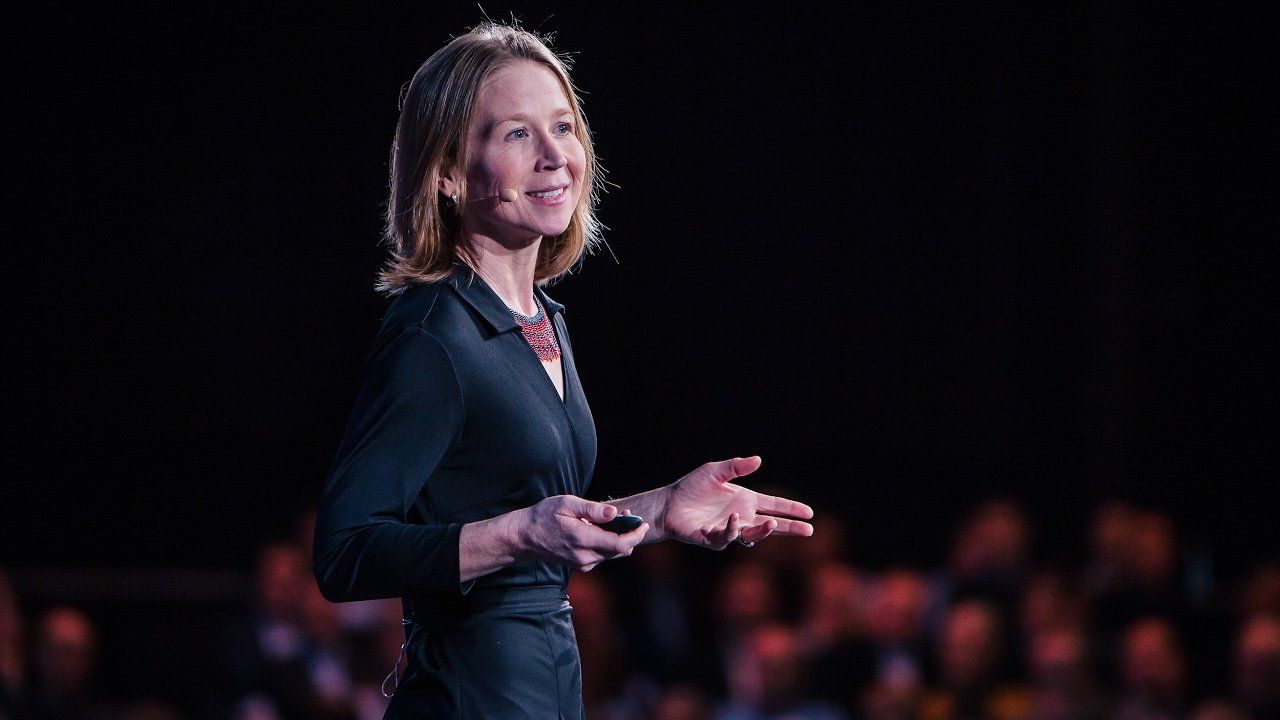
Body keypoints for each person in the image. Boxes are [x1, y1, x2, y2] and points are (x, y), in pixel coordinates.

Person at [311, 21, 816, 720]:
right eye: (517, 134)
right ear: (449, 173)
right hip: (469, 695)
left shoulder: (542, 317)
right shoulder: (434, 335)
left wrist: (662, 510)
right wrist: (520, 533)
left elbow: (550, 520)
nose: (556, 156)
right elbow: (345, 552)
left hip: (546, 679)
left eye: (563, 127)